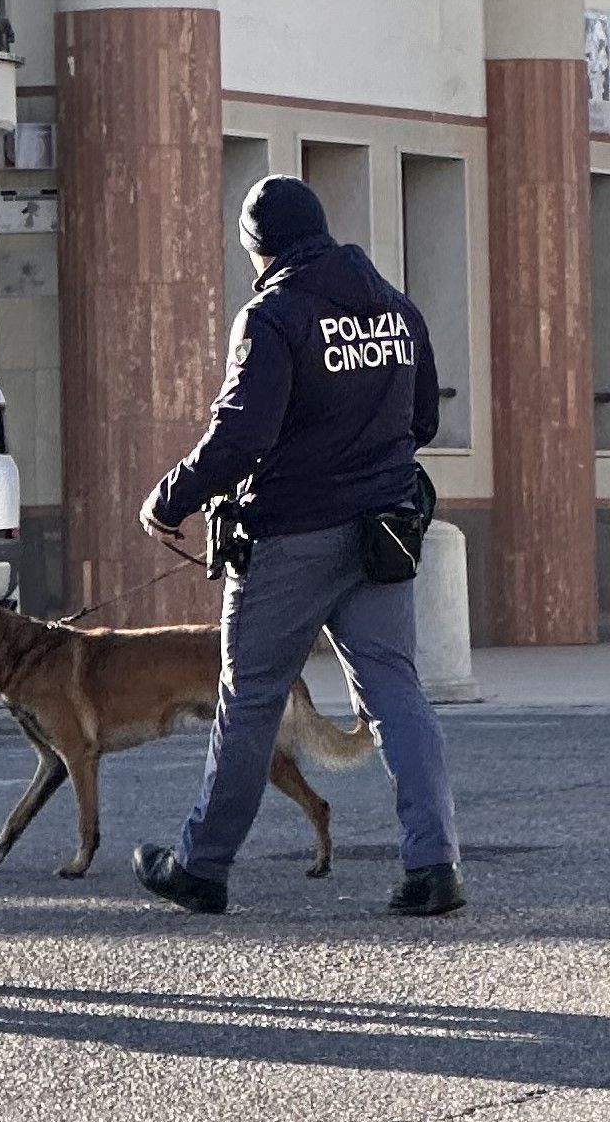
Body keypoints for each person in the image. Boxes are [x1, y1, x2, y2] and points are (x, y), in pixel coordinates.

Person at [131, 173, 463, 918]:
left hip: (291, 535)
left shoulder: (271, 314)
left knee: (248, 700)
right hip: (382, 533)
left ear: (258, 246)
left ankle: (201, 865)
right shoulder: (396, 308)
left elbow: (241, 434)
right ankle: (433, 866)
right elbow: (422, 422)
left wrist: (170, 497)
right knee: (394, 692)